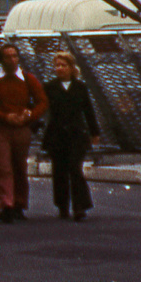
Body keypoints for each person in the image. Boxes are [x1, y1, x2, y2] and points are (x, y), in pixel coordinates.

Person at [0, 42, 47, 222]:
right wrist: (4, 116)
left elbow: (42, 101)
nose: (12, 60)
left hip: (22, 127)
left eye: (15, 56)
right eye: (8, 56)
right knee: (4, 167)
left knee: (19, 166)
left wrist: (30, 114)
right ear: (1, 60)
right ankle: (7, 204)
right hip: (1, 127)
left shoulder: (27, 79)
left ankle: (20, 203)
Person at [42, 51, 100, 221]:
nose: (60, 69)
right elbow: (42, 108)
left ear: (71, 67)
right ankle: (62, 205)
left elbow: (88, 110)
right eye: (57, 65)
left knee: (75, 169)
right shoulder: (49, 87)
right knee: (59, 171)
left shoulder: (80, 87)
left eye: (63, 65)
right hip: (57, 135)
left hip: (76, 134)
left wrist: (94, 132)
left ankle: (79, 206)